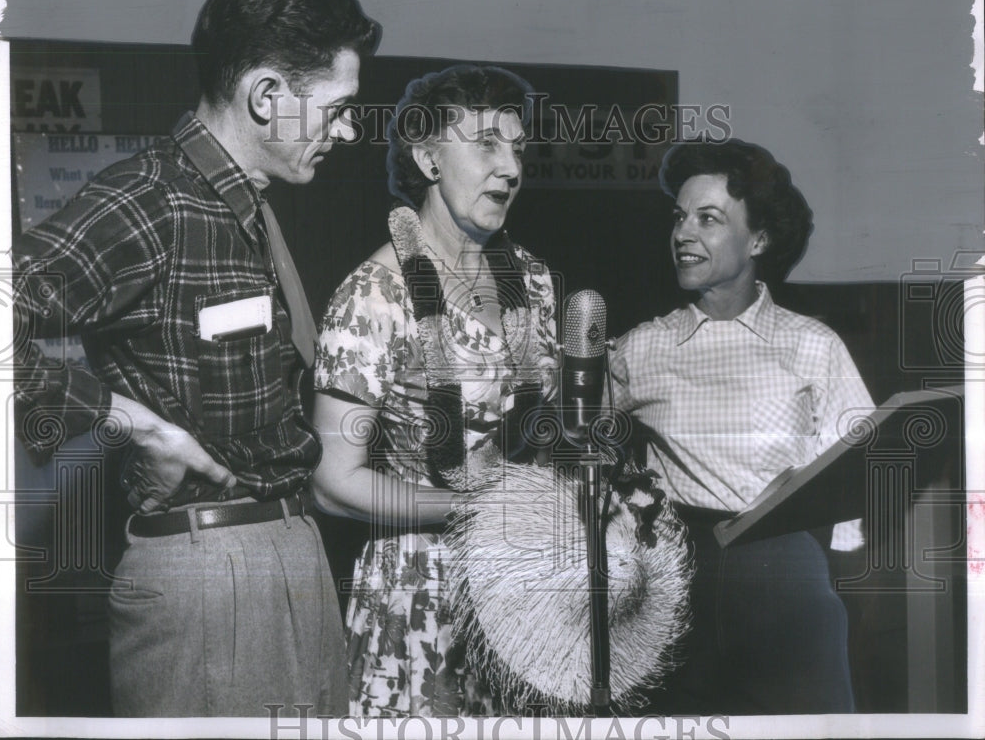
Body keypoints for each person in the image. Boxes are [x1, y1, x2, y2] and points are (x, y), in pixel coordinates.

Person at [12, 0, 380, 716]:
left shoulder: (248, 210)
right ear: (267, 96)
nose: (346, 131)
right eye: (337, 107)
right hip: (210, 575)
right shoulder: (150, 202)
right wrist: (135, 425)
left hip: (294, 558)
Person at [312, 65, 559, 717]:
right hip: (423, 592)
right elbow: (333, 482)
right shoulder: (375, 294)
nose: (509, 168)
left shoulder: (533, 281)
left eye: (517, 149)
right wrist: (469, 507)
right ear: (427, 157)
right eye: (485, 145)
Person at [608, 139, 875, 715]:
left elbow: (860, 481)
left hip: (788, 577)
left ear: (758, 239)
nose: (684, 233)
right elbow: (567, 435)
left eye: (709, 218)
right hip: (678, 581)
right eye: (679, 216)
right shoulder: (642, 347)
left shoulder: (813, 346)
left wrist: (814, 568)